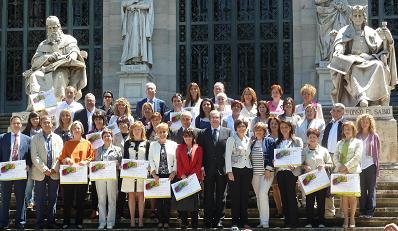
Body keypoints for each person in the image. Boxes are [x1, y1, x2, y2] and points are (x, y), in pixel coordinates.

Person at [329, 5, 398, 107]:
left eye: (360, 15)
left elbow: (381, 49)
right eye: (355, 16)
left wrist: (387, 41)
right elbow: (340, 44)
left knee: (378, 65)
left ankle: (379, 97)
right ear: (351, 17)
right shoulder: (344, 31)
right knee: (353, 68)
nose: (357, 18)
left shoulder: (370, 31)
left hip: (368, 59)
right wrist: (338, 49)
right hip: (352, 60)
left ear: (364, 17)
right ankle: (362, 96)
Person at [23, 16, 87, 103]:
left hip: (63, 69)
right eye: (49, 28)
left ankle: (56, 106)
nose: (52, 30)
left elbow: (74, 51)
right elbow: (35, 62)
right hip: (45, 71)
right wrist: (49, 58)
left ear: (59, 27)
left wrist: (70, 56)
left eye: (54, 27)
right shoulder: (43, 44)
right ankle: (38, 107)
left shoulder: (68, 39)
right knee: (34, 76)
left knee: (59, 76)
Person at [197, 110, 231, 228]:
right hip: (208, 169)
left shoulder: (228, 132)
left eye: (216, 117)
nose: (214, 119)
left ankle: (219, 220)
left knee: (221, 196)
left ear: (220, 118)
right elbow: (200, 152)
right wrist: (201, 167)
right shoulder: (202, 133)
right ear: (209, 119)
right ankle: (208, 220)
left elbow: (229, 151)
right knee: (208, 196)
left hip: (222, 169)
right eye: (212, 117)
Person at [58, 121, 95, 229]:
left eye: (78, 128)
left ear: (82, 130)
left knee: (80, 200)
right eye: (74, 128)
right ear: (71, 130)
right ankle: (66, 221)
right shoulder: (67, 144)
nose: (76, 130)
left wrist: (86, 162)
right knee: (67, 200)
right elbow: (61, 157)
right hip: (69, 175)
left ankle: (79, 222)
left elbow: (91, 156)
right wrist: (66, 159)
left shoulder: (87, 143)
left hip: (81, 175)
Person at [30, 115, 64, 229]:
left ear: (52, 124)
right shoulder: (35, 138)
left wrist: (54, 168)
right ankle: (39, 222)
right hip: (40, 173)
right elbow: (34, 156)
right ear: (41, 124)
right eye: (44, 122)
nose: (46, 124)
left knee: (53, 199)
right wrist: (45, 169)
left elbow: (61, 155)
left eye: (48, 122)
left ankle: (51, 222)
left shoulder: (58, 138)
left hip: (54, 173)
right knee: (39, 199)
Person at [0, 116, 31, 229]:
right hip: (6, 173)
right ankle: (3, 222)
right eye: (14, 123)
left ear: (21, 125)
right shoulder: (2, 137)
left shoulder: (27, 139)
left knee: (20, 198)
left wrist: (28, 164)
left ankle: (20, 222)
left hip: (20, 172)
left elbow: (30, 156)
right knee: (5, 198)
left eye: (18, 123)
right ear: (10, 124)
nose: (17, 125)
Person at [148, 123, 178, 229]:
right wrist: (153, 174)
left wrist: (174, 172)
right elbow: (150, 159)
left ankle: (167, 221)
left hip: (170, 175)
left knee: (168, 200)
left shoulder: (174, 145)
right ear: (156, 133)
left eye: (164, 131)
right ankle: (161, 220)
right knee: (160, 200)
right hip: (158, 175)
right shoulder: (152, 145)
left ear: (167, 132)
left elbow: (176, 160)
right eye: (160, 132)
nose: (162, 134)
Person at [333, 121, 363, 228]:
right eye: (345, 129)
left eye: (349, 129)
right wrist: (340, 166)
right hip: (341, 172)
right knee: (344, 197)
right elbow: (335, 156)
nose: (347, 131)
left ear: (353, 130)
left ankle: (352, 218)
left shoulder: (358, 142)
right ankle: (346, 218)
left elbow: (357, 156)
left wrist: (346, 167)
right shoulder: (339, 143)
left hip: (353, 172)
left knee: (353, 197)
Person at [302, 128, 333, 228]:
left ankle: (321, 222)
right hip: (309, 179)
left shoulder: (324, 150)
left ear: (318, 138)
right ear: (308, 138)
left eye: (314, 137)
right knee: (309, 202)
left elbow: (331, 164)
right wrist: (304, 166)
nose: (312, 139)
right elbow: (300, 164)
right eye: (310, 137)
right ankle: (309, 222)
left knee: (321, 201)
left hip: (321, 180)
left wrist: (324, 165)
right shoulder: (304, 151)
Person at [225, 119, 253, 229]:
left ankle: (244, 221)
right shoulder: (231, 139)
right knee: (236, 197)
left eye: (244, 126)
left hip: (247, 170)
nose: (242, 128)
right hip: (235, 170)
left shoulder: (248, 139)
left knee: (244, 197)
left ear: (246, 128)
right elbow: (227, 156)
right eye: (239, 126)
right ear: (236, 128)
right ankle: (235, 222)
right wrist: (229, 172)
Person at [275, 120, 303, 228]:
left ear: (290, 128)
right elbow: (276, 156)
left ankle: (294, 222)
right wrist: (274, 161)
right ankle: (287, 221)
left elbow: (300, 155)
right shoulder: (278, 141)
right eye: (282, 127)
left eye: (286, 127)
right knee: (284, 197)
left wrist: (295, 165)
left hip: (292, 172)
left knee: (291, 196)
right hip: (281, 172)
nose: (284, 129)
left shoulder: (297, 140)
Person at [121, 121, 149, 228]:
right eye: (135, 129)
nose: (137, 131)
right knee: (131, 195)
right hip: (130, 173)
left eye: (139, 129)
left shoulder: (147, 143)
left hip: (142, 173)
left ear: (142, 130)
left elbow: (148, 158)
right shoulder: (128, 143)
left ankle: (141, 220)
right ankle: (132, 220)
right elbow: (125, 158)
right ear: (132, 131)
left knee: (141, 195)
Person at [95, 129, 122, 230]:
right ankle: (102, 222)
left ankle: (110, 222)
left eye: (109, 136)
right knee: (101, 200)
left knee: (112, 199)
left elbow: (121, 165)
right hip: (100, 177)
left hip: (113, 176)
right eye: (105, 136)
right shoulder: (97, 149)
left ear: (112, 138)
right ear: (102, 138)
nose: (107, 138)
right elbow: (95, 164)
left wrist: (117, 164)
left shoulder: (117, 149)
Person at [175, 128, 203, 229]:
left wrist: (191, 176)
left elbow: (199, 164)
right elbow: (178, 162)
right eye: (186, 136)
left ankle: (195, 222)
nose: (188, 138)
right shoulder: (179, 148)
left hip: (194, 178)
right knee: (183, 201)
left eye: (190, 136)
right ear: (183, 137)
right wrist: (182, 175)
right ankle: (184, 222)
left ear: (193, 137)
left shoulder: (198, 148)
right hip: (182, 178)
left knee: (195, 201)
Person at [321, 103, 345, 217]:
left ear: (343, 112)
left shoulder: (345, 124)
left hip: (340, 157)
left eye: (338, 111)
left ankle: (342, 211)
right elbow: (324, 141)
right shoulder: (329, 124)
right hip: (327, 157)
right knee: (327, 184)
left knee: (340, 182)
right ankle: (329, 211)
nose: (336, 113)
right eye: (334, 110)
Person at [250, 122, 276, 228]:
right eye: (257, 130)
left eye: (260, 130)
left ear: (264, 131)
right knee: (258, 196)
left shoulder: (269, 141)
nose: (258, 132)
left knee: (262, 194)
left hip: (266, 173)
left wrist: (269, 168)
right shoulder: (252, 143)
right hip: (254, 174)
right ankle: (261, 221)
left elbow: (273, 155)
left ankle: (265, 222)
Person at [356, 114, 380, 219]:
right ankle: (362, 211)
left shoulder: (374, 136)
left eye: (366, 122)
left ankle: (370, 211)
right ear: (360, 123)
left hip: (370, 165)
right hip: (359, 166)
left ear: (370, 123)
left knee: (371, 189)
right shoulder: (356, 136)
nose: (364, 124)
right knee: (361, 189)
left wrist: (377, 167)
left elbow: (377, 154)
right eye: (362, 122)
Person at [87, 110, 108, 220]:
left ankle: (105, 211)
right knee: (95, 189)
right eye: (96, 119)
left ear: (103, 120)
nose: (98, 121)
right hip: (95, 164)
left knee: (106, 189)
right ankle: (94, 210)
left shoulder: (108, 132)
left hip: (107, 164)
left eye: (100, 119)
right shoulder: (90, 133)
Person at [121, 0, 154, 65]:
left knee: (140, 39)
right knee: (131, 39)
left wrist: (135, 6)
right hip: (130, 19)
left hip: (141, 20)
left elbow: (148, 5)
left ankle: (139, 59)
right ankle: (130, 58)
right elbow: (123, 4)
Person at [111, 115, 131, 220]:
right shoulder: (115, 136)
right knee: (120, 191)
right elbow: (112, 150)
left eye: (125, 123)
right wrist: (117, 164)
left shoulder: (132, 135)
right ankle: (119, 213)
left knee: (129, 192)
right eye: (120, 123)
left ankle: (127, 213)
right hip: (118, 168)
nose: (123, 125)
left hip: (131, 168)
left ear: (128, 124)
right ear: (118, 125)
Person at [22, 111, 42, 210]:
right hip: (29, 161)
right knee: (29, 183)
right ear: (30, 120)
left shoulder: (43, 130)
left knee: (39, 183)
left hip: (41, 160)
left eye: (37, 118)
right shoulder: (25, 132)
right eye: (33, 118)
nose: (35, 120)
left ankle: (38, 201)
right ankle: (29, 201)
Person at [267, 117, 283, 217]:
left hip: (283, 167)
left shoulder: (283, 137)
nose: (273, 125)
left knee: (284, 189)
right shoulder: (267, 138)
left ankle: (287, 208)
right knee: (275, 188)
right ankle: (280, 210)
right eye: (272, 124)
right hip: (272, 167)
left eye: (275, 124)